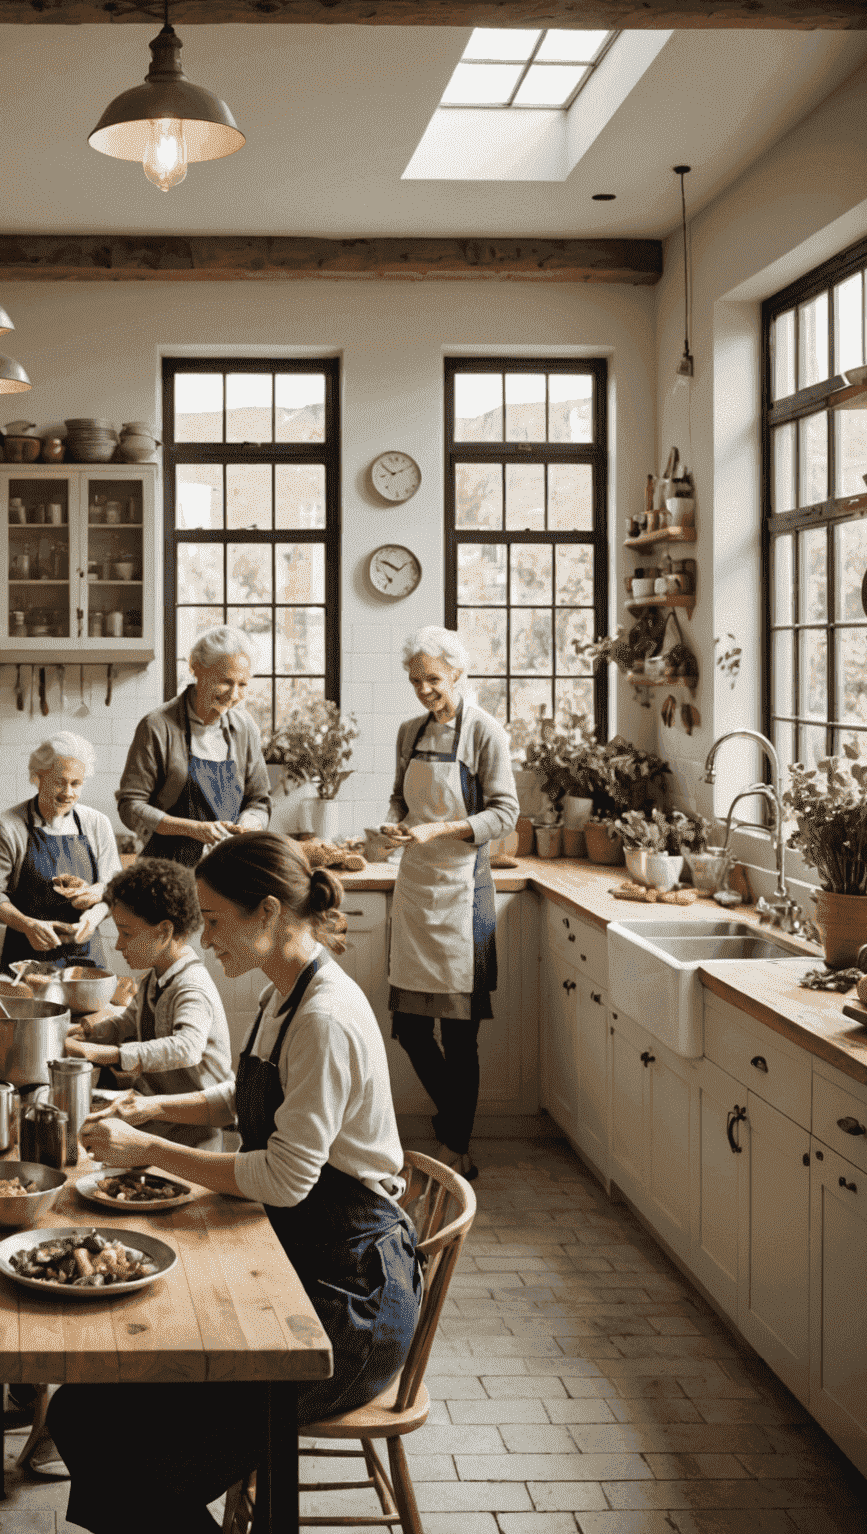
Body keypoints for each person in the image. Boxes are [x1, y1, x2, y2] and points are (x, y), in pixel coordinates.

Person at [49, 832, 420, 1534]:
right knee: (81, 1408)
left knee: (121, 1445)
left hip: (348, 1305)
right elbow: (239, 1097)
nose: (204, 935)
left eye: (214, 920)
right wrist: (151, 1106)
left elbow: (281, 1179)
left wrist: (148, 1150)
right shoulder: (282, 994)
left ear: (269, 912)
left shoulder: (324, 1017)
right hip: (293, 1266)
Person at [382, 626, 518, 1182]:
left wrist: (440, 830)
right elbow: (399, 795)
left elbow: (505, 813)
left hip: (464, 894)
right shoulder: (409, 732)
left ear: (459, 675)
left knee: (460, 1037)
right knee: (410, 1028)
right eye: (415, 680)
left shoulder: (485, 733)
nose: (423, 690)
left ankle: (457, 1145)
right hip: (416, 888)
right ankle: (451, 1128)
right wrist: (394, 823)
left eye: (433, 679)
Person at [63, 856, 231, 1148]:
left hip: (196, 1129)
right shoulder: (155, 977)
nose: (119, 944)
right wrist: (87, 1030)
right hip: (159, 1115)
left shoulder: (192, 986)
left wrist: (104, 1054)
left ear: (164, 931)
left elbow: (186, 1048)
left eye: (126, 933)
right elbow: (130, 1020)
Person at [116, 624, 271, 867]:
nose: (233, 695)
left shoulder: (245, 727)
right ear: (195, 668)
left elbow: (259, 800)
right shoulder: (157, 726)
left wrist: (251, 822)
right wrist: (192, 829)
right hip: (167, 868)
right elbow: (130, 806)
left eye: (242, 685)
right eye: (225, 681)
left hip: (227, 868)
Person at [0, 730, 121, 973]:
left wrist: (94, 911)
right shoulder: (7, 826)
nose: (68, 792)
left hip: (85, 956)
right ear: (38, 776)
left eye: (76, 783)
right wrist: (27, 925)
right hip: (26, 957)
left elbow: (114, 885)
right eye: (59, 781)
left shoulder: (97, 823)